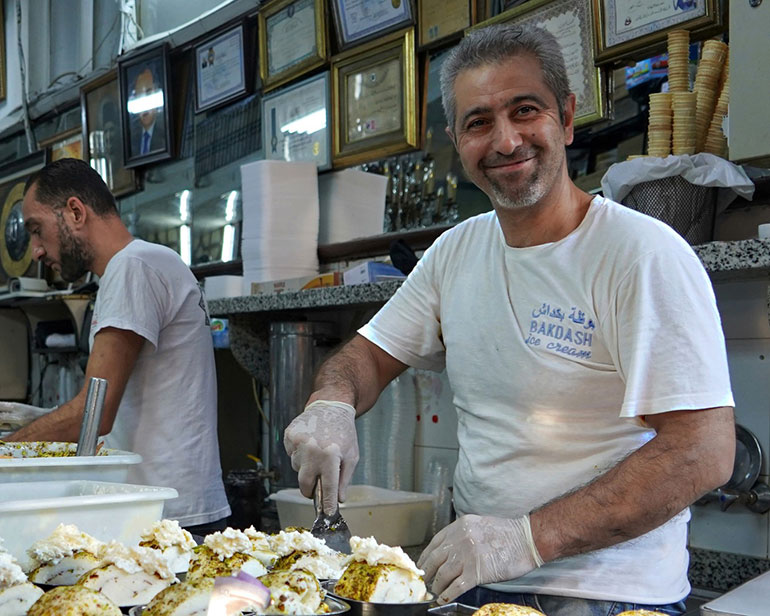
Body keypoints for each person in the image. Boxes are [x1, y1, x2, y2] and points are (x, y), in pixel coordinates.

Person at [283, 24, 735, 616]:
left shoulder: (641, 254)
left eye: (525, 110)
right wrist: (332, 405)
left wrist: (526, 539)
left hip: (607, 595)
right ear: (457, 142)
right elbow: (366, 355)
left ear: (566, 118)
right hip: (476, 583)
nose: (505, 140)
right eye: (478, 122)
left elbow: (701, 451)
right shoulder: (456, 251)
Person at [7, 158, 230, 534]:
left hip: (168, 516)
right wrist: (32, 419)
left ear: (75, 212)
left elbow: (94, 414)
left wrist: (8, 449)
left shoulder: (133, 267)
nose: (36, 251)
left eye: (37, 230)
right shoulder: (142, 264)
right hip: (166, 507)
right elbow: (112, 409)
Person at [130, 66, 166, 157]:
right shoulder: (132, 142)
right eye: (139, 95)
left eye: (148, 93)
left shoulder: (165, 136)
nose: (144, 103)